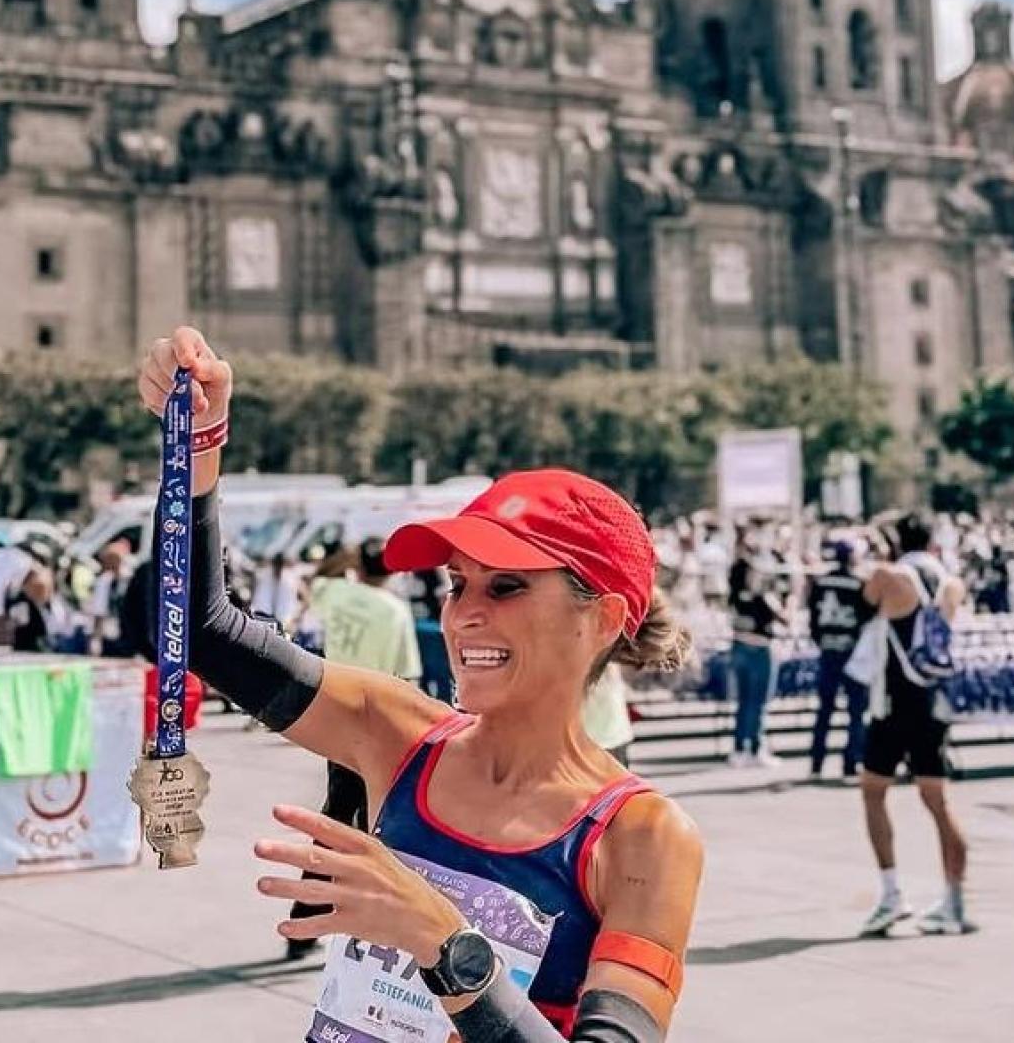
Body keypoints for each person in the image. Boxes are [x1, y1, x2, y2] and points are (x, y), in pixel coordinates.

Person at [139, 327, 701, 1042]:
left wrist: (448, 947)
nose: (465, 614)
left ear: (603, 618)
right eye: (455, 583)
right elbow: (201, 631)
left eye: (505, 587)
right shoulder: (396, 732)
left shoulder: (641, 838)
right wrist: (197, 452)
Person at [284, 538, 424, 957]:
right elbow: (408, 675)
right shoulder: (395, 611)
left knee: (337, 818)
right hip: (380, 720)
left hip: (336, 706)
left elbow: (314, 581)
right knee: (374, 827)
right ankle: (360, 927)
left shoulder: (339, 592)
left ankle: (305, 922)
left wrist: (344, 557)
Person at [856, 513, 973, 938]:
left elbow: (864, 602)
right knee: (938, 802)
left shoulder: (891, 576)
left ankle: (891, 894)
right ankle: (954, 901)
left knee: (872, 791)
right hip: (933, 702)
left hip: (894, 702)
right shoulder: (949, 582)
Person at [806, 540, 869, 781]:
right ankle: (851, 763)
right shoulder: (858, 584)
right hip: (851, 652)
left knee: (825, 709)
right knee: (855, 710)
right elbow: (866, 619)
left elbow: (813, 617)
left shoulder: (821, 582)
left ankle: (816, 761)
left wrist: (822, 640)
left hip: (828, 650)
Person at [726, 552, 787, 768]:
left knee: (743, 702)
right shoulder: (763, 597)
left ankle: (739, 747)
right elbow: (784, 617)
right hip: (760, 648)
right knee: (758, 703)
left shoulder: (734, 597)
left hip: (739, 646)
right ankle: (755, 747)